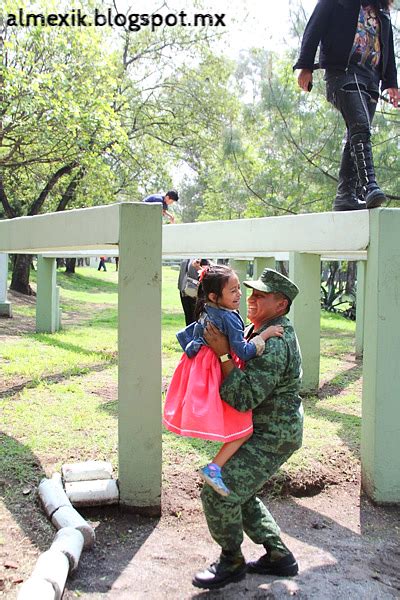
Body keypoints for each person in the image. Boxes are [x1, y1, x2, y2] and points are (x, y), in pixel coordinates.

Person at [191, 268, 303, 590]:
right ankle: (279, 556)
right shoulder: (265, 328)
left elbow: (243, 398)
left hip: (272, 435)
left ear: (281, 305)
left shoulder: (276, 340)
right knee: (242, 491)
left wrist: (223, 353)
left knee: (219, 489)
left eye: (260, 296)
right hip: (267, 430)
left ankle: (232, 562)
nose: (250, 299)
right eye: (249, 292)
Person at [164, 264, 284, 497]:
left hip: (198, 367)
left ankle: (216, 466)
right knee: (243, 427)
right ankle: (214, 467)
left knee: (235, 424)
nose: (240, 294)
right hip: (215, 370)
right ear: (213, 295)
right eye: (233, 291)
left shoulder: (208, 308)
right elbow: (245, 351)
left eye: (239, 289)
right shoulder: (229, 318)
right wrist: (264, 335)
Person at [294, 0, 399, 211]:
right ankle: (369, 187)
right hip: (341, 72)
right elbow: (314, 27)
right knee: (360, 125)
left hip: (371, 78)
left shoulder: (382, 13)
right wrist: (304, 65)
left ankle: (345, 196)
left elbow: (386, 46)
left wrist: (391, 84)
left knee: (357, 133)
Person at [177, 257, 209, 326]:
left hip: (196, 292)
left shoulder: (202, 257)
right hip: (184, 291)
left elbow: (207, 273)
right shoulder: (185, 255)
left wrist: (198, 267)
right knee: (188, 318)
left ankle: (196, 335)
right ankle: (189, 336)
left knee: (196, 319)